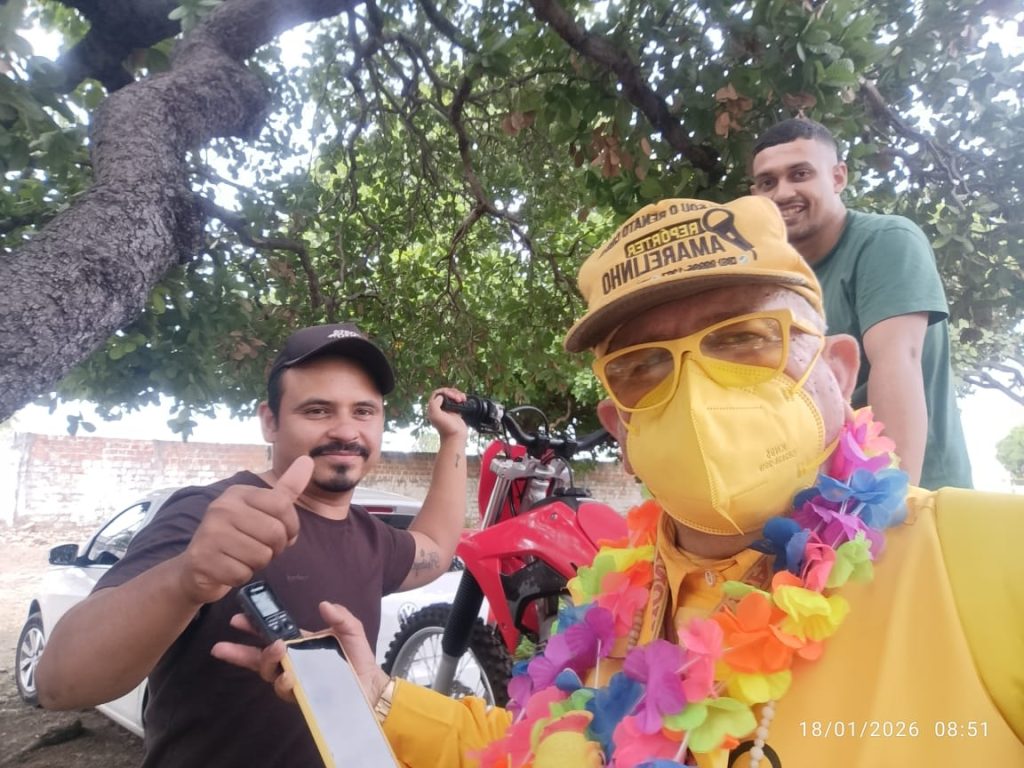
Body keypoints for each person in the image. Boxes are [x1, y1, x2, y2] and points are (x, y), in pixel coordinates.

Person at [217, 197, 1023, 767]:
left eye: (746, 337)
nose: (697, 392)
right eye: (644, 366)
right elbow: (531, 751)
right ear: (621, 429)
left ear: (838, 371)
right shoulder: (615, 611)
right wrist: (378, 696)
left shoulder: (979, 558)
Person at [35, 322, 470, 768]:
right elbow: (60, 682)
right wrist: (186, 578)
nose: (345, 430)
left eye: (363, 411)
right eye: (317, 410)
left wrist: (454, 437)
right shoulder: (209, 514)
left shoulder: (370, 536)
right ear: (270, 421)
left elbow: (434, 547)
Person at [749, 118, 971, 490]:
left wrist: (893, 502)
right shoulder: (768, 280)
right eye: (768, 182)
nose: (783, 193)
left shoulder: (886, 240)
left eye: (800, 174)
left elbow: (898, 360)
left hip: (914, 494)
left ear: (838, 177)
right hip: (817, 503)